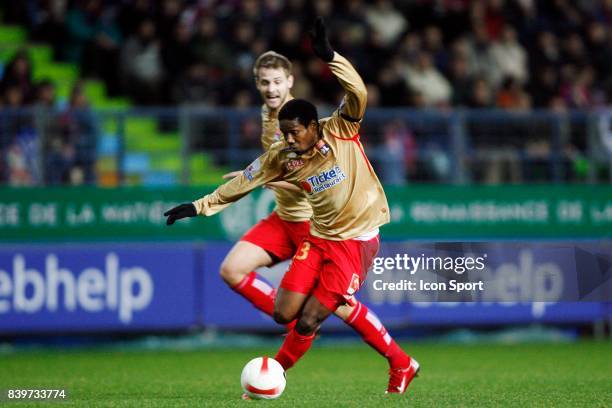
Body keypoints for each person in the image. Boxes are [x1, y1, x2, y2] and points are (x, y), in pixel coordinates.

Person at [165, 18, 419, 394]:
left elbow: (359, 94)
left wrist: (330, 56)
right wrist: (200, 206)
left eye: (294, 132)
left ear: (312, 122)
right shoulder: (279, 140)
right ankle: (317, 338)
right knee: (285, 311)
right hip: (314, 233)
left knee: (313, 316)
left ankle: (278, 371)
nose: (287, 139)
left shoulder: (340, 129)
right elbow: (249, 176)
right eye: (263, 82)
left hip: (352, 240)